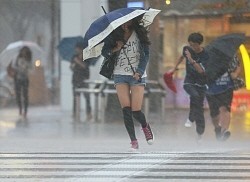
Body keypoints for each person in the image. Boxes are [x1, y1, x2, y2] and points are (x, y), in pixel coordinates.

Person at [101, 16, 154, 151]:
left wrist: (140, 71)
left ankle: (145, 126)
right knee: (126, 109)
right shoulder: (114, 34)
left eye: (128, 21)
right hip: (119, 74)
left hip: (137, 75)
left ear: (133, 21)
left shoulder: (140, 33)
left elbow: (146, 55)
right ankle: (133, 141)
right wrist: (115, 48)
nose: (125, 24)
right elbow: (104, 52)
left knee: (136, 110)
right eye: (123, 21)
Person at [173, 32, 209, 140]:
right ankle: (190, 118)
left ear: (199, 44)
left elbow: (201, 71)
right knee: (195, 96)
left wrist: (191, 59)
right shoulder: (187, 49)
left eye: (193, 45)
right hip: (189, 81)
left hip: (201, 83)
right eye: (190, 44)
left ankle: (200, 133)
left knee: (199, 107)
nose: (191, 47)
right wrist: (175, 67)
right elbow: (181, 57)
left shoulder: (205, 55)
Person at [206, 55, 241, 141]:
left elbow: (238, 66)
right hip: (212, 89)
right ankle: (217, 128)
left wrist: (235, 73)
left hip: (226, 87)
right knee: (214, 113)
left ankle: (224, 131)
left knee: (225, 109)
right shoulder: (209, 55)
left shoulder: (232, 55)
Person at [70, 42, 92, 120]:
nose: (77, 50)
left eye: (78, 48)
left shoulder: (86, 57)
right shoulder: (74, 57)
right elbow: (71, 67)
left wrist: (78, 62)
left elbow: (85, 66)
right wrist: (73, 64)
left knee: (87, 97)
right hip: (76, 79)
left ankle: (89, 113)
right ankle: (75, 112)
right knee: (75, 97)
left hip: (84, 79)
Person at [13, 46, 33, 119]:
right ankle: (20, 109)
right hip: (18, 79)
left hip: (25, 79)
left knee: (25, 95)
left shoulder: (29, 60)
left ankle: (25, 110)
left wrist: (26, 68)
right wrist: (19, 68)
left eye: (25, 51)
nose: (24, 53)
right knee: (18, 95)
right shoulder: (18, 58)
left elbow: (31, 69)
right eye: (23, 51)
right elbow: (14, 66)